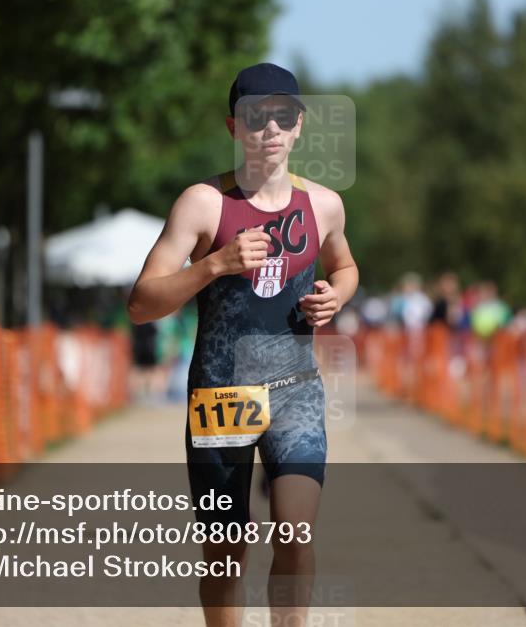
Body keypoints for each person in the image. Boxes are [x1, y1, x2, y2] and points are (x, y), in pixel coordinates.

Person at [127, 63, 359, 627]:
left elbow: (346, 265)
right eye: (258, 117)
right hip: (221, 394)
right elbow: (142, 303)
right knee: (226, 555)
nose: (271, 128)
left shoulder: (324, 204)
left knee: (295, 531)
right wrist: (214, 265)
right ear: (235, 127)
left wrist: (338, 296)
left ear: (300, 125)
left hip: (295, 390)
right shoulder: (203, 203)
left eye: (284, 115)